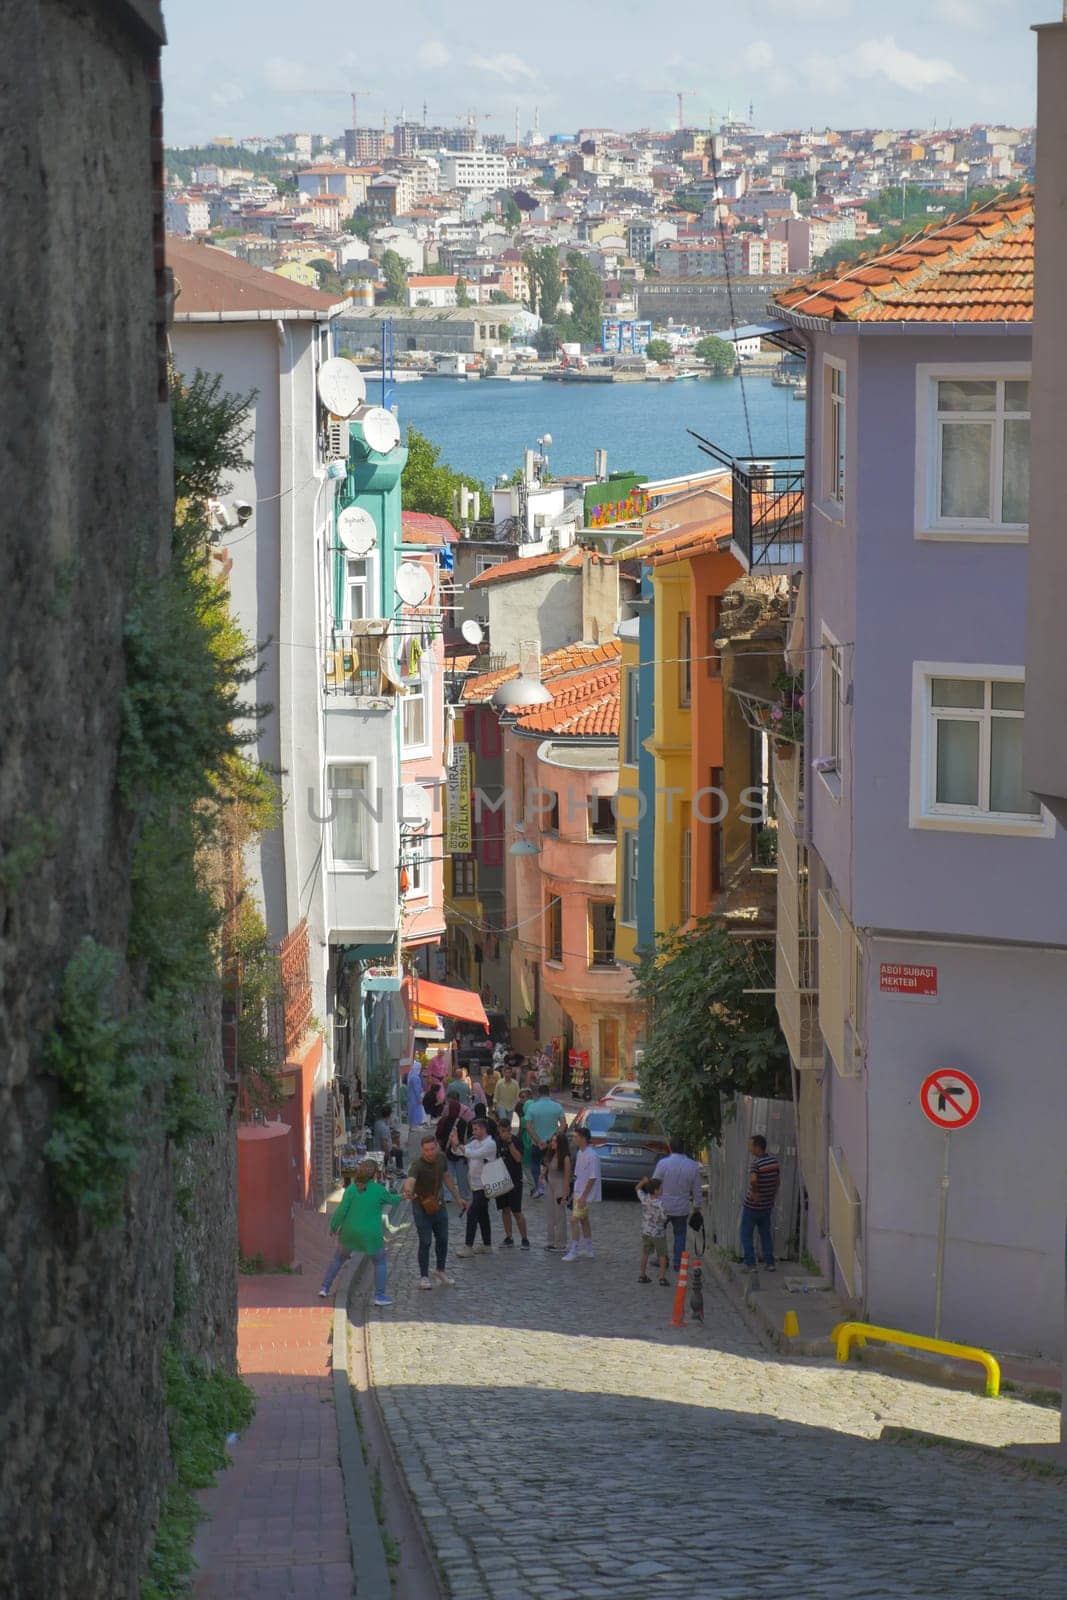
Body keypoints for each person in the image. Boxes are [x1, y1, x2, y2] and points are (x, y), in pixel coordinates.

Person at [319, 1159, 402, 1306]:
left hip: (349, 1232)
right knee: (380, 1262)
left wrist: (333, 1227)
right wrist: (403, 1196)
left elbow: (341, 1211)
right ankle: (379, 1296)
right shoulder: (379, 1190)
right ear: (375, 1174)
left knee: (338, 1259)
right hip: (371, 1235)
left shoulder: (351, 1189)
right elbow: (393, 1200)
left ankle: (325, 1288)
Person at [404, 1131, 467, 1290]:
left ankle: (440, 1270)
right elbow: (410, 1180)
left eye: (432, 1149)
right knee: (425, 1241)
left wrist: (458, 1198)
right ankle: (424, 1276)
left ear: (437, 1147)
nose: (430, 1153)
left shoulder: (441, 1158)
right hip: (421, 1207)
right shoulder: (417, 1164)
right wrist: (408, 1191)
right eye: (426, 1150)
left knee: (443, 1239)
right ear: (421, 1150)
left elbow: (447, 1178)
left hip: (438, 1205)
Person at [652, 1141, 704, 1272]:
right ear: (684, 1149)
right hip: (681, 1207)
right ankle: (678, 1263)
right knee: (680, 1235)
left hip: (663, 1205)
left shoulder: (663, 1164)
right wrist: (697, 1207)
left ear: (670, 1148)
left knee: (660, 1233)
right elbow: (697, 1190)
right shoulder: (693, 1166)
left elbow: (655, 1183)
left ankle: (662, 1259)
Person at [451, 1117, 498, 1256]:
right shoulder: (475, 1141)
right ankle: (487, 1244)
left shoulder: (490, 1144)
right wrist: (455, 1144)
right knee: (483, 1215)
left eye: (476, 1129)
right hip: (475, 1184)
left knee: (472, 1213)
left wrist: (458, 1143)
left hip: (484, 1185)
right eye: (473, 1129)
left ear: (484, 1129)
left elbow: (473, 1154)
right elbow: (461, 1151)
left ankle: (468, 1246)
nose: (474, 1131)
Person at [740, 1133, 780, 1273]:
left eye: (751, 1145)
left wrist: (756, 1192)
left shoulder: (756, 1164)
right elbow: (777, 1182)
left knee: (746, 1234)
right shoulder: (774, 1162)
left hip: (752, 1207)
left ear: (757, 1147)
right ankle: (770, 1263)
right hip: (766, 1206)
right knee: (765, 1234)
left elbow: (753, 1180)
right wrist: (771, 1196)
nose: (749, 1148)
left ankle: (751, 1264)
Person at [562, 1125, 601, 1260]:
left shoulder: (592, 1156)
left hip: (585, 1195)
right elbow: (579, 1175)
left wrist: (584, 1196)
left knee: (574, 1220)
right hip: (579, 1192)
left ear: (583, 1138)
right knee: (584, 1220)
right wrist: (574, 1193)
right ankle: (589, 1249)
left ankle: (574, 1250)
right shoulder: (580, 1153)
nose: (573, 1139)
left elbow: (592, 1177)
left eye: (576, 1136)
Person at [523, 1084, 567, 1197]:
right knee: (551, 1164)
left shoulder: (532, 1107)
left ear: (538, 1094)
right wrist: (552, 1138)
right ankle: (549, 1186)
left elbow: (528, 1126)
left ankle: (538, 1187)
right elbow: (563, 1125)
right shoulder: (557, 1107)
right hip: (552, 1144)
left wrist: (538, 1141)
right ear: (549, 1093)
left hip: (536, 1143)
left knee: (535, 1164)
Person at [494, 1120, 529, 1249]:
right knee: (505, 1210)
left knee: (517, 1211)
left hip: (514, 1181)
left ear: (509, 1130)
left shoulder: (516, 1141)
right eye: (500, 1130)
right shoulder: (496, 1142)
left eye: (505, 1131)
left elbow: (518, 1158)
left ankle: (525, 1238)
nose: (502, 1133)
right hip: (501, 1180)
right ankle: (509, 1237)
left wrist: (509, 1143)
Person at [635, 1176, 670, 1286]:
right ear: (656, 1190)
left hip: (646, 1231)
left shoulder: (645, 1198)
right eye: (660, 1188)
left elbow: (637, 1188)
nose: (662, 1190)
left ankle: (642, 1275)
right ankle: (662, 1278)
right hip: (658, 1233)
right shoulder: (660, 1204)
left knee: (645, 1253)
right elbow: (664, 1218)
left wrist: (643, 1181)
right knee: (662, 1255)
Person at [437, 1095, 472, 1201]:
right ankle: (464, 1194)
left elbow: (438, 1135)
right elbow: (467, 1137)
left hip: (447, 1152)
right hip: (460, 1152)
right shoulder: (463, 1122)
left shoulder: (443, 1121)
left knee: (448, 1175)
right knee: (462, 1176)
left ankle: (448, 1196)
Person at [542, 1130, 571, 1252]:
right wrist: (542, 1175)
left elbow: (567, 1178)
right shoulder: (552, 1154)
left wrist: (564, 1196)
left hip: (559, 1185)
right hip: (550, 1185)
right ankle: (550, 1240)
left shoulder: (565, 1158)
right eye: (552, 1140)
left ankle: (560, 1243)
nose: (552, 1143)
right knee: (550, 1214)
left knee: (559, 1215)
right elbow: (547, 1167)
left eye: (555, 1141)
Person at [406, 1057, 426, 1150]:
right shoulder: (415, 1077)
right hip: (415, 1098)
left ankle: (412, 1125)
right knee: (416, 1112)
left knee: (412, 1111)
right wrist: (419, 1098)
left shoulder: (411, 1076)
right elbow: (417, 1089)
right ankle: (415, 1125)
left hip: (411, 1098)